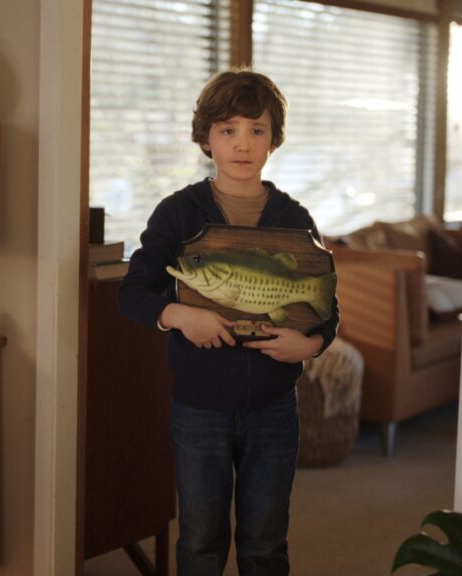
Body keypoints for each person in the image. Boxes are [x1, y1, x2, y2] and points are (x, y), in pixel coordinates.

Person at [117, 68, 339, 575]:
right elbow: (133, 293)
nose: (243, 144)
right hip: (198, 409)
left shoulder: (294, 218)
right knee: (200, 539)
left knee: (265, 542)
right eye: (228, 130)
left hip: (275, 408)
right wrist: (178, 315)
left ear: (273, 140)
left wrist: (311, 345)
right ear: (205, 139)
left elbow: (327, 305)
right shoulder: (178, 214)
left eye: (256, 130)